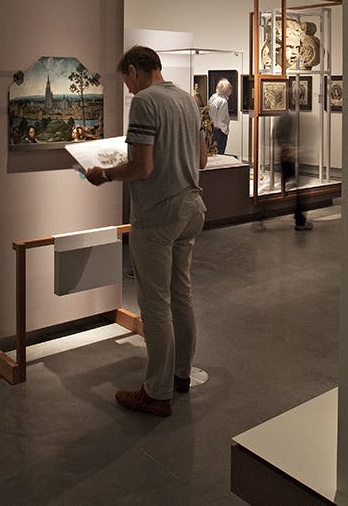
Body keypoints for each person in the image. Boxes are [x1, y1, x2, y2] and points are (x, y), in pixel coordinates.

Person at [86, 46, 208, 417]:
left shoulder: (145, 102)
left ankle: (156, 392)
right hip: (191, 207)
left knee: (155, 305)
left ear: (136, 70)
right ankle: (181, 376)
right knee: (181, 295)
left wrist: (104, 173)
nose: (129, 90)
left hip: (158, 214)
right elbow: (202, 158)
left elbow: (141, 167)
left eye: (127, 82)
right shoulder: (187, 99)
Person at [274, 102, 311, 230]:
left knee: (294, 189)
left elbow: (276, 135)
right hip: (287, 157)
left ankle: (261, 217)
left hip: (286, 156)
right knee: (299, 192)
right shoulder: (287, 118)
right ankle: (300, 221)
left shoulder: (284, 117)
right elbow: (280, 137)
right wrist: (290, 150)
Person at [207, 78, 233, 155]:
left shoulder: (213, 97)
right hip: (219, 131)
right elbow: (222, 119)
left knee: (212, 153)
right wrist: (225, 131)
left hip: (211, 129)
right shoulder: (223, 101)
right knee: (219, 153)